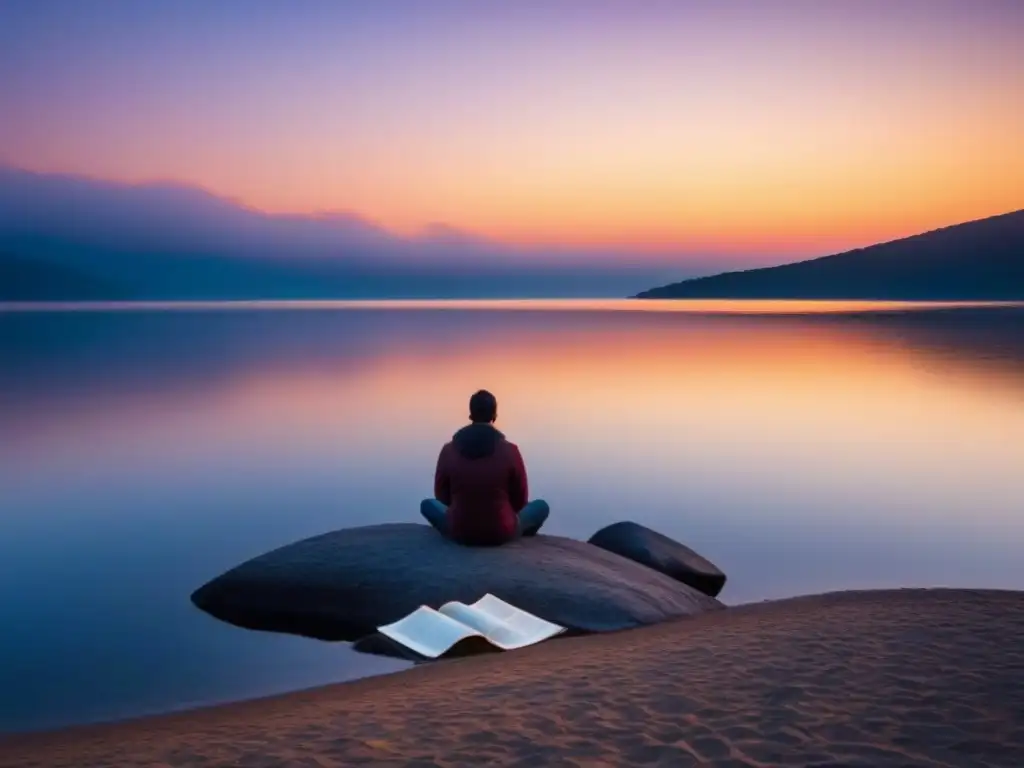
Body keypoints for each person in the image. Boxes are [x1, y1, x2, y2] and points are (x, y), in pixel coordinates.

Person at [420, 389, 549, 546]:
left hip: (458, 531)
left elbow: (442, 498)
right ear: (494, 416)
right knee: (541, 507)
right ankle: (520, 535)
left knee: (427, 504)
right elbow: (520, 502)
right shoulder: (510, 451)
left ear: (470, 415)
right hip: (501, 532)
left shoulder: (448, 450)